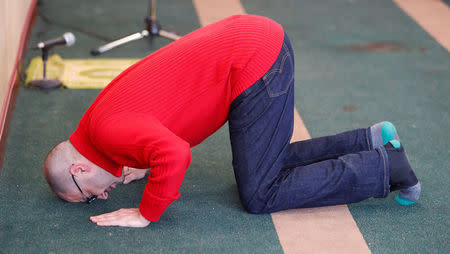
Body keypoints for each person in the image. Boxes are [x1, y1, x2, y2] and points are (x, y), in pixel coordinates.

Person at [43, 14, 421, 228]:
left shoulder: (108, 133)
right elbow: (157, 120)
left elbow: (174, 153)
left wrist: (146, 212)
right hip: (251, 44)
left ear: (79, 167)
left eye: (89, 194)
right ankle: (370, 140)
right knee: (263, 166)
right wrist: (140, 163)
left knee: (260, 193)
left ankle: (384, 167)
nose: (101, 197)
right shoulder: (97, 125)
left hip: (256, 63)